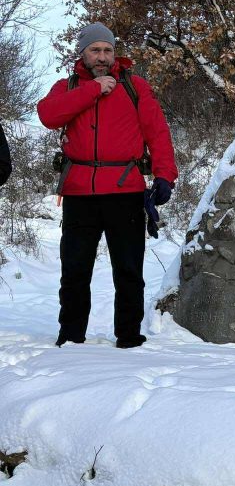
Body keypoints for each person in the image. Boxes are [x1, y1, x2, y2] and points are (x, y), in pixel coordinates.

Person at [37, 22, 178, 348]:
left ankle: (129, 337)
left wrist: (164, 176)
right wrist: (92, 89)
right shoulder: (67, 85)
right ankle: (70, 336)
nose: (101, 56)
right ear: (83, 53)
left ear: (114, 53)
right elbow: (48, 115)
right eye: (94, 50)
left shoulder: (135, 86)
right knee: (74, 270)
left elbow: (157, 132)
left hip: (124, 190)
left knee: (128, 270)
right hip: (79, 192)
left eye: (107, 50)